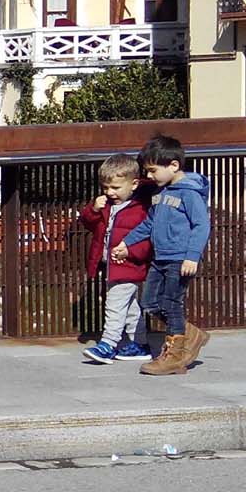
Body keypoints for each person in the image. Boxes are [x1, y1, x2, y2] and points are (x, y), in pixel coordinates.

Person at [127, 135, 213, 376]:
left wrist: (192, 256)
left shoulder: (189, 193)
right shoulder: (161, 193)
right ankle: (190, 334)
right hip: (160, 258)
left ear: (174, 165)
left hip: (180, 258)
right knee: (149, 302)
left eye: (153, 170)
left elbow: (201, 225)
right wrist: (127, 242)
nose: (150, 176)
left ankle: (174, 357)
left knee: (171, 304)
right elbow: (149, 223)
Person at [79, 154, 152, 364]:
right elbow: (88, 223)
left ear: (134, 184)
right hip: (112, 265)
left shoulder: (140, 209)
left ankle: (108, 344)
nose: (110, 192)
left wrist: (131, 252)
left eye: (116, 188)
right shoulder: (108, 205)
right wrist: (93, 209)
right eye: (106, 188)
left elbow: (147, 238)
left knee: (114, 305)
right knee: (130, 308)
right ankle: (140, 344)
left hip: (127, 265)